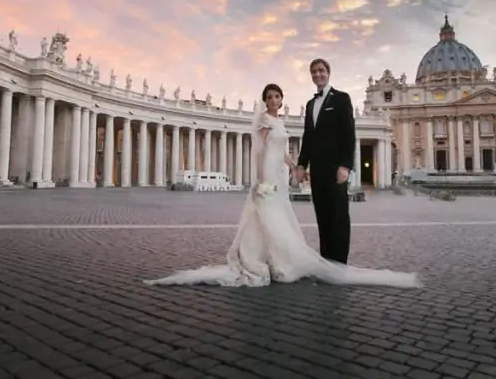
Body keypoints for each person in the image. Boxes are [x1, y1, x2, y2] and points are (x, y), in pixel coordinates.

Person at [144, 82, 421, 288]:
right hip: (268, 175)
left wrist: (296, 168)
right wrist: (261, 180)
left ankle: (278, 259)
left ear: (281, 100)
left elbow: (283, 150)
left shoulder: (279, 121)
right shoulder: (264, 120)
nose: (274, 100)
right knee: (265, 217)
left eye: (277, 96)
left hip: (279, 173)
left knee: (277, 217)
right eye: (270, 97)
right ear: (265, 101)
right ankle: (264, 260)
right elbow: (261, 151)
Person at [294, 58, 353, 264]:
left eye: (321, 70)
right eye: (313, 72)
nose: (317, 75)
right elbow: (308, 137)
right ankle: (326, 259)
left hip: (336, 168)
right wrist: (302, 164)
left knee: (339, 216)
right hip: (317, 169)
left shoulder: (342, 99)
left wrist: (346, 165)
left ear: (328, 72)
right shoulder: (311, 104)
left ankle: (340, 263)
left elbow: (348, 134)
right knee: (322, 216)